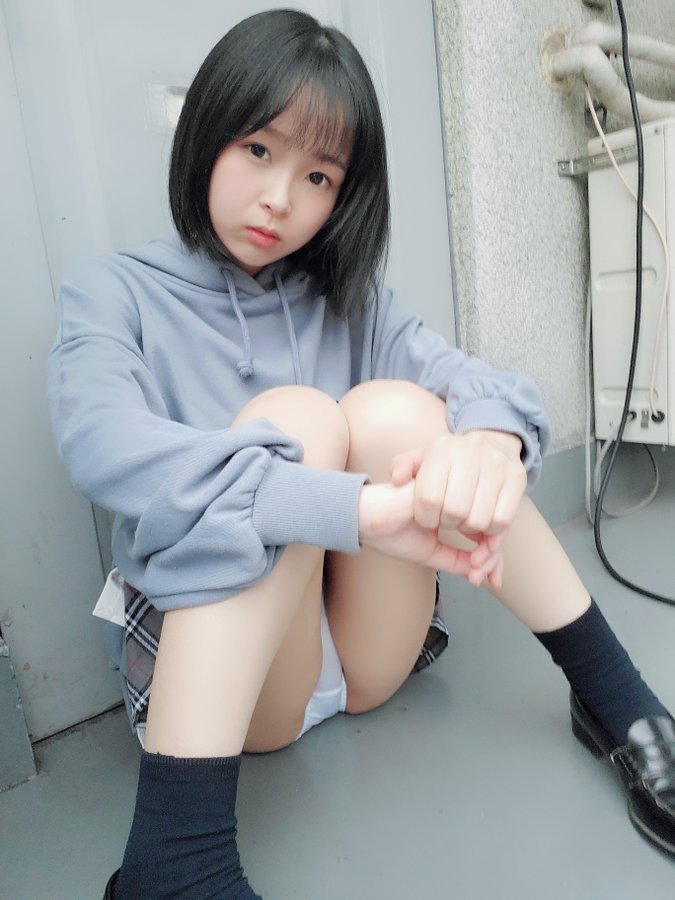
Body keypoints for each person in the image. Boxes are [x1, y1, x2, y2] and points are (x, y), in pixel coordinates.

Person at [47, 9, 675, 899]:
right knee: (297, 422)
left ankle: (616, 701)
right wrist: (360, 511)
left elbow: (482, 384)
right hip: (228, 695)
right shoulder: (115, 291)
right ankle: (175, 859)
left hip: (365, 650)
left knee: (399, 411)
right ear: (206, 134)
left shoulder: (347, 298)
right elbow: (104, 447)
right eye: (257, 150)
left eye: (317, 175)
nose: (279, 198)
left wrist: (488, 447)